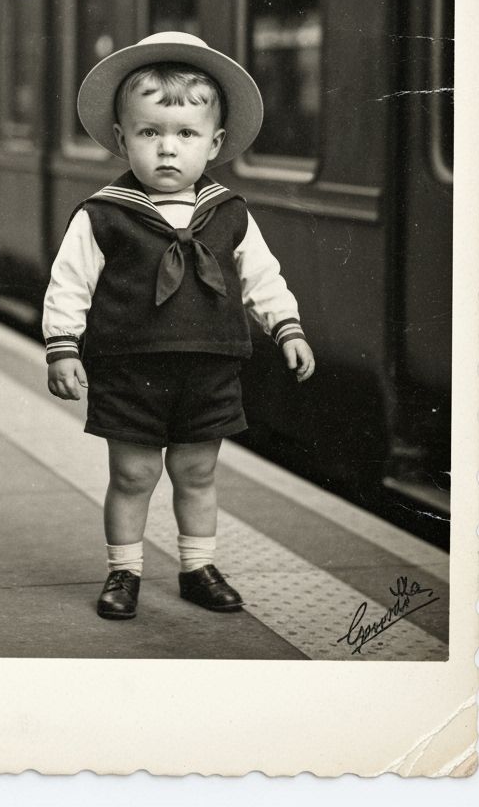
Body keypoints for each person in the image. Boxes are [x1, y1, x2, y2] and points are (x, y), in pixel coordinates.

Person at [42, 32, 315, 620]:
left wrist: (286, 326)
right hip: (129, 366)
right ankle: (125, 571)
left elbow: (261, 276)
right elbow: (69, 283)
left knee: (197, 470)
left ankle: (198, 567)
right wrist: (62, 347)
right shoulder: (104, 215)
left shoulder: (229, 213)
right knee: (134, 472)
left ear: (214, 144)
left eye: (186, 135)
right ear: (122, 140)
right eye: (150, 133)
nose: (168, 150)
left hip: (209, 366)